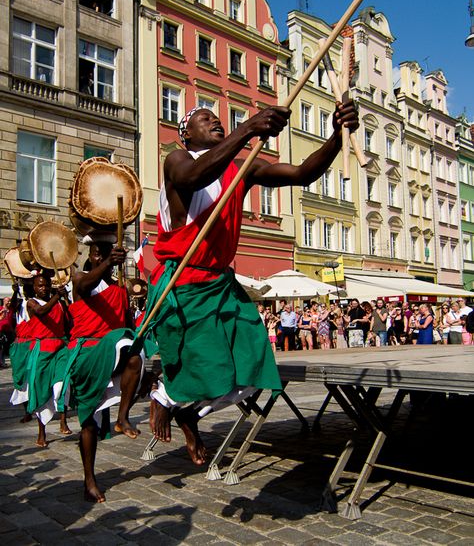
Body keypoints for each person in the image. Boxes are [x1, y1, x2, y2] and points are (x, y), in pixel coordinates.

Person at [143, 101, 358, 461]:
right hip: (184, 282)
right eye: (203, 119)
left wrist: (337, 134)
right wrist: (248, 129)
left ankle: (187, 412)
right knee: (205, 367)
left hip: (221, 284)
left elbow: (302, 173)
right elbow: (193, 179)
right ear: (185, 134)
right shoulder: (177, 160)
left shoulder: (242, 168)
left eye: (217, 118)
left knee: (253, 366)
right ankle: (164, 394)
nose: (215, 121)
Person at [61, 238, 143, 502]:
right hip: (87, 353)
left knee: (135, 356)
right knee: (89, 425)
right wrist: (108, 261)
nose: (99, 259)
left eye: (105, 256)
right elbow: (84, 286)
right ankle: (89, 480)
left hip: (112, 350)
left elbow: (128, 324)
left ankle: (122, 417)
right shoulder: (80, 278)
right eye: (96, 255)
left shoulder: (118, 288)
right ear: (92, 256)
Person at [9, 273, 71, 447]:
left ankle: (63, 419)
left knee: (61, 386)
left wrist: (66, 299)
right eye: (40, 286)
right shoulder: (31, 303)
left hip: (60, 349)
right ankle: (41, 431)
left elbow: (69, 321)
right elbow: (41, 312)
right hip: (42, 350)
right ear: (34, 288)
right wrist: (57, 297)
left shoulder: (57, 302)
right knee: (40, 390)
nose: (43, 288)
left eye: (46, 285)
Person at [0, 297, 15, 367]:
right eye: (8, 301)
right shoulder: (0, 308)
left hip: (10, 331)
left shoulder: (11, 309)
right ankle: (2, 362)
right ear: (4, 301)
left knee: (9, 347)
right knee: (2, 347)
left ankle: (5, 362)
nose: (9, 302)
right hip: (1, 330)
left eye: (10, 301)